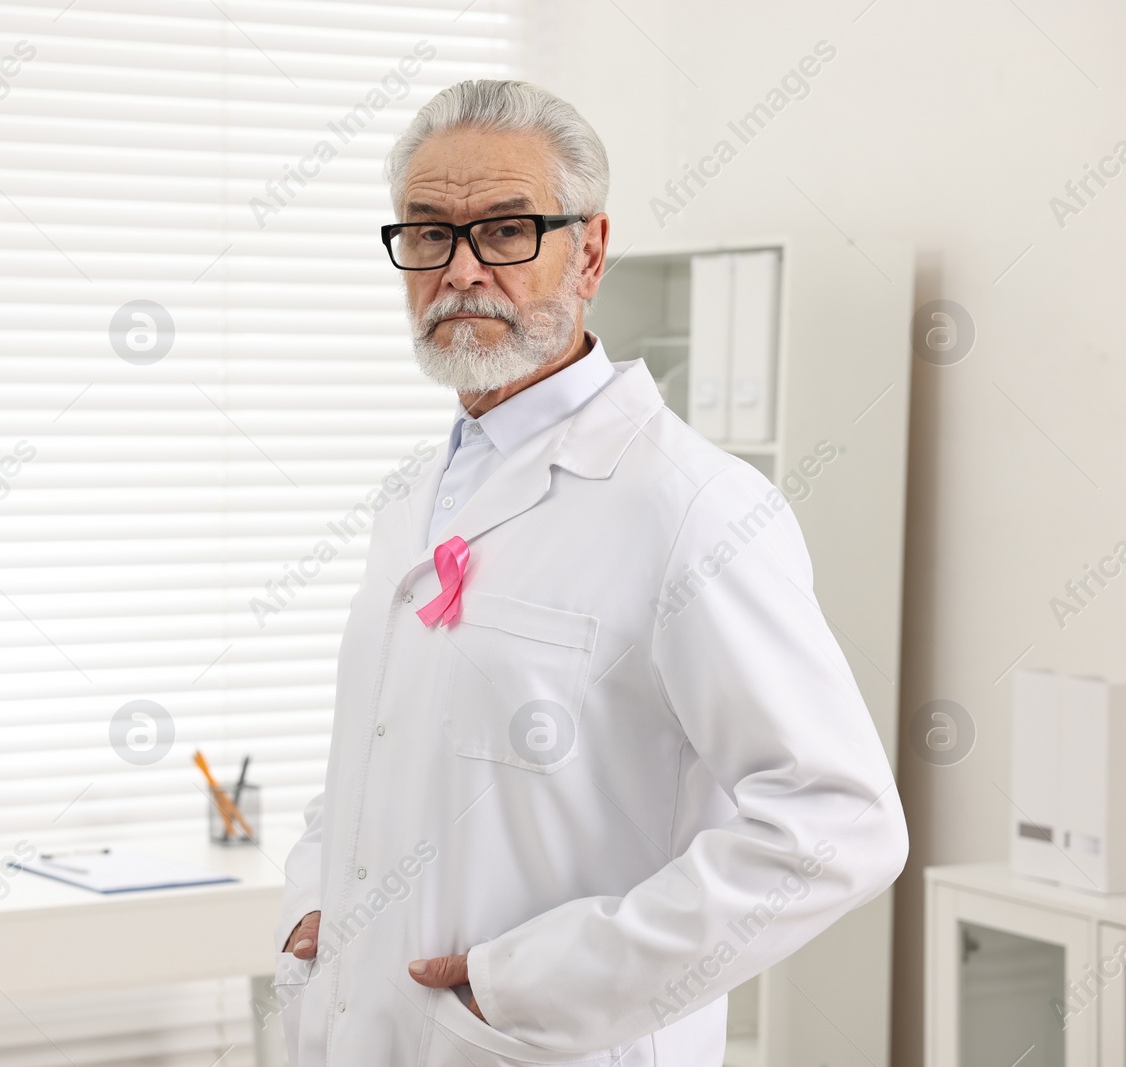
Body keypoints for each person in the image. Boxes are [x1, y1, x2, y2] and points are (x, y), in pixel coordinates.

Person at [271, 78, 908, 1067]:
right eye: (428, 232)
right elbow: (377, 740)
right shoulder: (416, 495)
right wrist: (315, 897)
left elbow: (839, 824)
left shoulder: (690, 506)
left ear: (592, 251)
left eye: (507, 229)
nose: (461, 268)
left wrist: (529, 984)